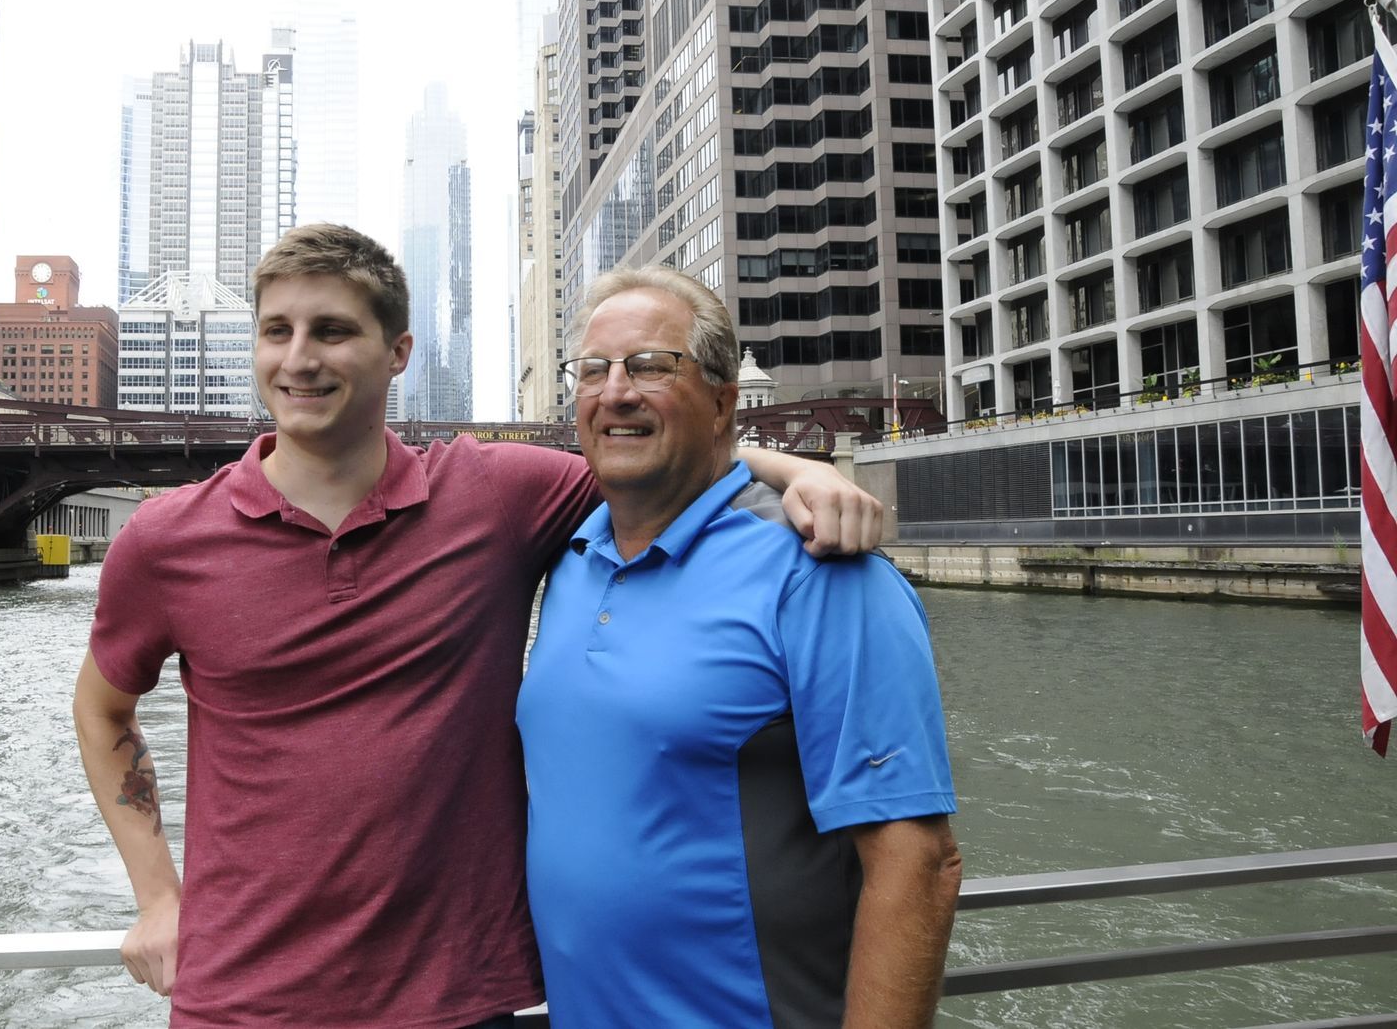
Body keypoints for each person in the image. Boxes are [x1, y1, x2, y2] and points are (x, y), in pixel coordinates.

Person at [73, 224, 884, 1027]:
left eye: (332, 330)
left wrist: (799, 468)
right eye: (276, 331)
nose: (299, 358)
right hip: (238, 999)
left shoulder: (494, 497)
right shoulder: (166, 539)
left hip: (456, 1001)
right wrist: (156, 897)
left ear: (399, 351)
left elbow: (653, 460)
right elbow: (102, 706)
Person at [517, 265, 961, 1028]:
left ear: (725, 399)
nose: (615, 391)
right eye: (594, 369)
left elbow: (917, 863)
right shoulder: (569, 556)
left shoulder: (823, 574)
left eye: (653, 365)